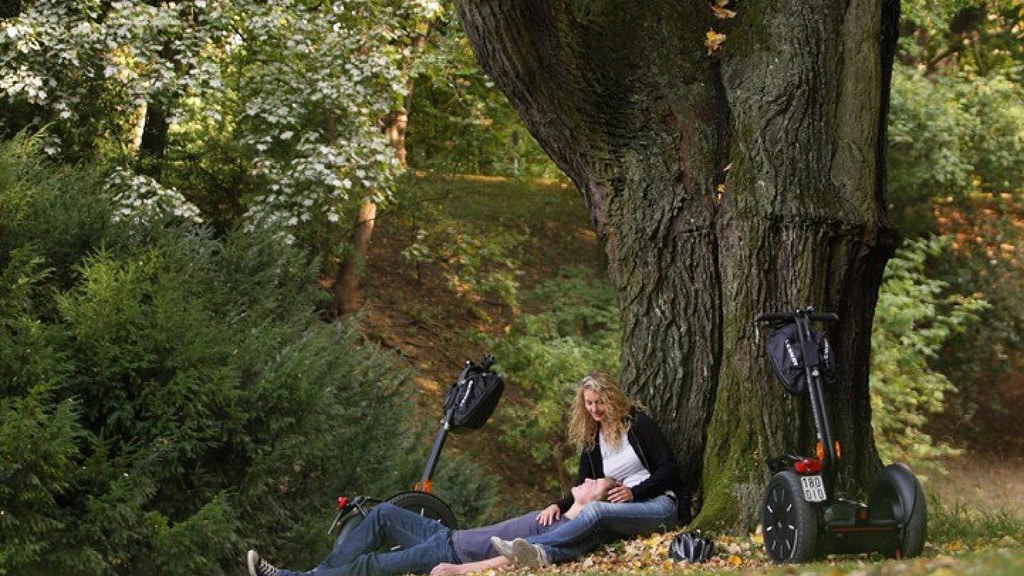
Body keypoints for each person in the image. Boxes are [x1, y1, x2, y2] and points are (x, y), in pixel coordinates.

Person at [491, 369, 689, 568]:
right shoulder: (592, 440)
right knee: (592, 535)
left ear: (611, 398)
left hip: (659, 506)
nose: (595, 409)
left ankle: (529, 544)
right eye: (589, 403)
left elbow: (669, 469)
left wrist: (634, 492)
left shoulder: (637, 424)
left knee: (595, 511)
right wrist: (558, 506)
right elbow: (581, 483)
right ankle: (542, 554)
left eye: (600, 401)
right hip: (622, 512)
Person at [246, 477, 616, 576]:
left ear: (599, 501)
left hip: (451, 553)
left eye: (595, 483)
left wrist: (459, 569)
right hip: (447, 535)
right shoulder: (561, 514)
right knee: (382, 514)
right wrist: (559, 503)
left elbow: (515, 561)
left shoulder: (567, 531)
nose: (586, 480)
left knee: (368, 566)